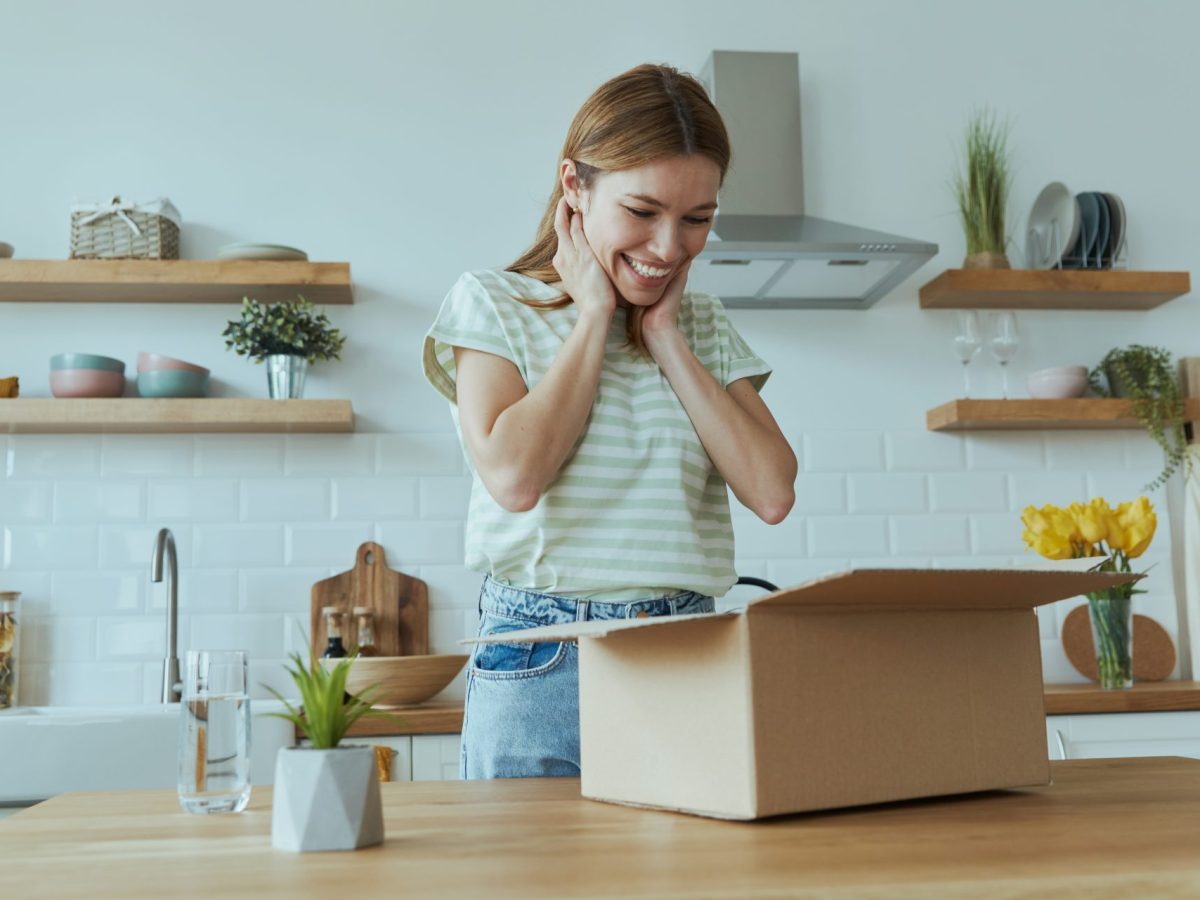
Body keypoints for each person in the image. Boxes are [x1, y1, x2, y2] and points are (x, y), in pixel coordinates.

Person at [422, 62, 797, 779]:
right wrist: (593, 314)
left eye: (697, 220)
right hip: (541, 657)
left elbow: (773, 492)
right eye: (642, 211)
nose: (668, 248)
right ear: (575, 187)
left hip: (689, 657)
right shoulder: (492, 304)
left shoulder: (704, 326)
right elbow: (514, 477)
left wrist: (665, 338)